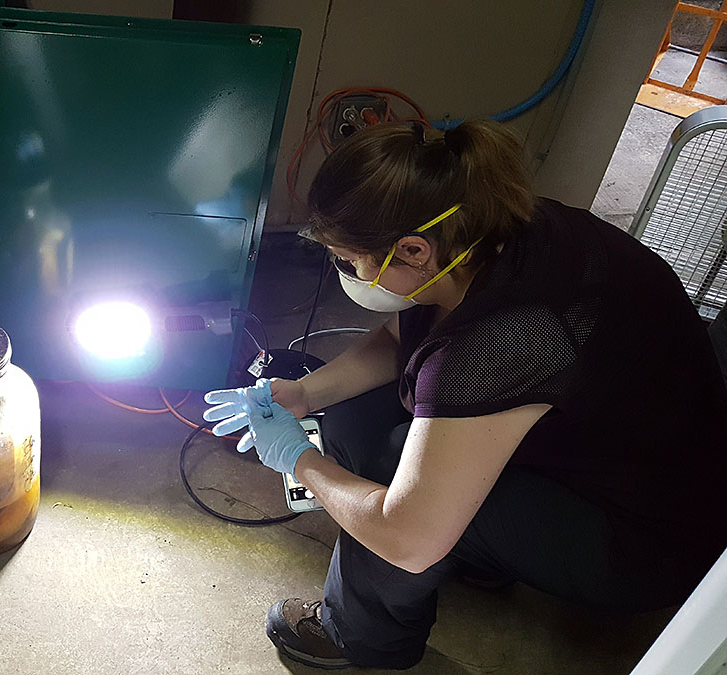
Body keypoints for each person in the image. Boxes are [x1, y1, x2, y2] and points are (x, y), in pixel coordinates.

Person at [205, 120, 727, 670]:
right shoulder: (490, 225)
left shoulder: (497, 344)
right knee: (357, 417)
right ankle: (484, 555)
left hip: (647, 543)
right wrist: (305, 393)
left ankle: (355, 635)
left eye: (347, 259)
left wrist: (300, 459)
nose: (348, 273)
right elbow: (398, 338)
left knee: (390, 468)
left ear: (411, 250)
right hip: (634, 453)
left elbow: (407, 536)